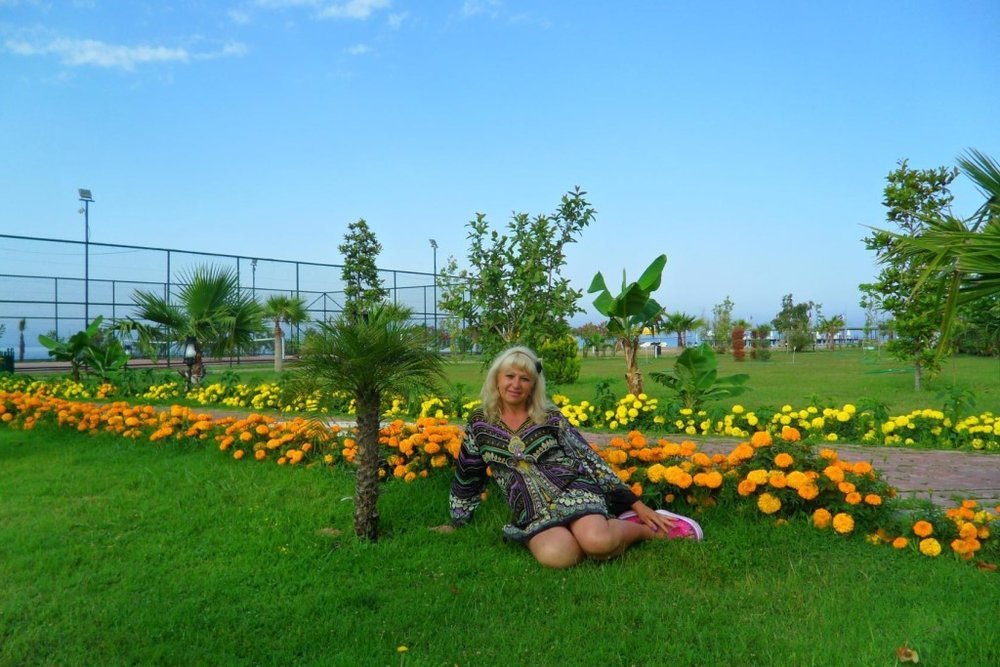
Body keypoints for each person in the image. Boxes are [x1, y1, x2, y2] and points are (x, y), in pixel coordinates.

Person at [449, 345, 703, 568]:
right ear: (496, 379)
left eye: (524, 379)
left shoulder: (549, 417)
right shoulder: (479, 422)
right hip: (531, 509)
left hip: (574, 491)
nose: (516, 385)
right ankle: (601, 531)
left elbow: (587, 458)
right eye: (510, 376)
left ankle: (646, 530)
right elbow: (469, 472)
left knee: (598, 542)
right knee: (559, 557)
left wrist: (637, 505)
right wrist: (459, 520)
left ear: (533, 386)